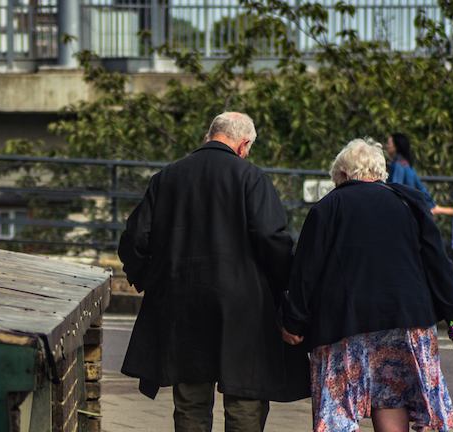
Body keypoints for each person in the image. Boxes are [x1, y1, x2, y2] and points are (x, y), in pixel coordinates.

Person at [118, 112, 310, 432]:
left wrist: (154, 279)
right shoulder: (251, 178)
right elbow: (271, 238)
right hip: (244, 307)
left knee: (191, 399)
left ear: (210, 135)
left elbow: (134, 240)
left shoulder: (167, 178)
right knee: (245, 396)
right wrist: (283, 287)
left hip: (181, 303)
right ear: (243, 144)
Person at [282, 138, 453, 432]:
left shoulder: (328, 207)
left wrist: (294, 321)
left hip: (345, 322)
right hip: (405, 319)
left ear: (343, 176)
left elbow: (306, 271)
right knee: (392, 396)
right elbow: (438, 263)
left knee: (338, 406)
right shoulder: (410, 202)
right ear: (379, 172)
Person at [385, 132, 437, 209]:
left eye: (389, 143)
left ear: (396, 146)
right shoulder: (406, 164)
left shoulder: (398, 165)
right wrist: (431, 204)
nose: (386, 146)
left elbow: (395, 188)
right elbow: (421, 188)